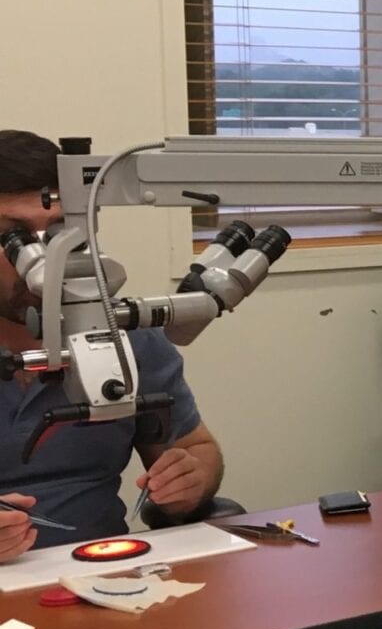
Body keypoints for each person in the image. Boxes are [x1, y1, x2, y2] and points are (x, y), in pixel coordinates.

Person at [0, 130, 224, 559]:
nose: (45, 259)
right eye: (17, 237)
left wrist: (191, 480)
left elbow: (196, 448)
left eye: (60, 232)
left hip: (103, 570)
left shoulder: (124, 331)